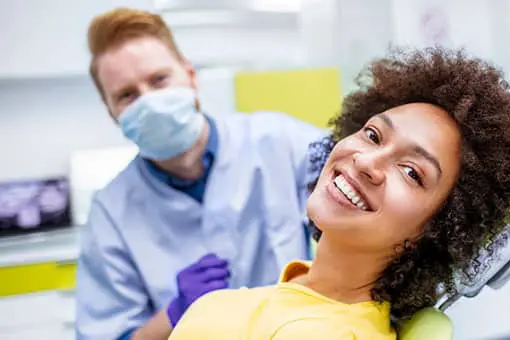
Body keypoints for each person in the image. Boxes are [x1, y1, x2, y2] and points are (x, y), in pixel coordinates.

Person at [167, 47, 510, 339]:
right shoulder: (278, 302)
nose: (368, 162)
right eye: (372, 135)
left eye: (411, 172)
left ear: (438, 231)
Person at [74, 8, 325, 340]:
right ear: (112, 113)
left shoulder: (281, 143)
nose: (149, 102)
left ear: (190, 76)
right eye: (127, 95)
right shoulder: (110, 215)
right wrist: (175, 313)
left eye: (159, 79)